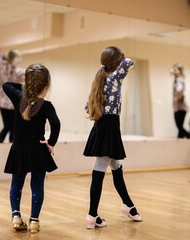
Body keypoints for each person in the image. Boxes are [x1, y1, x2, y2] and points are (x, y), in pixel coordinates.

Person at [83, 46, 143, 229]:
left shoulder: (101, 80)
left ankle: (128, 206)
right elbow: (129, 62)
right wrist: (119, 61)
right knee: (100, 167)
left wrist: (109, 64)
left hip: (103, 126)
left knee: (116, 166)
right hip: (109, 127)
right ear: (116, 65)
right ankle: (92, 215)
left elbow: (87, 108)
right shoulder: (115, 77)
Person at [3, 64, 60, 233]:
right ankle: (34, 221)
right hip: (37, 150)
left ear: (28, 84)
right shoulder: (47, 106)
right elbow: (56, 124)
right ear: (48, 86)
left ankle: (16, 216)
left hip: (19, 149)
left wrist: (25, 88)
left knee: (17, 184)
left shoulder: (18, 97)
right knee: (37, 186)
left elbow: (6, 85)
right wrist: (51, 142)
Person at [0, 49, 25, 143]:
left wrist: (7, 58)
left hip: (2, 103)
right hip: (12, 104)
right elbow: (29, 74)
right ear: (16, 58)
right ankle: (11, 146)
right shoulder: (18, 72)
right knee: (13, 128)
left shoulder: (3, 67)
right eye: (19, 57)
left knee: (6, 127)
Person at [171, 64, 190, 138]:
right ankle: (182, 139)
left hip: (182, 108)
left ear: (179, 71)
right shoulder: (176, 80)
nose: (174, 71)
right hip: (176, 107)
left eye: (175, 70)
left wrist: (178, 97)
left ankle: (189, 137)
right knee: (179, 126)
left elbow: (179, 89)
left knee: (179, 126)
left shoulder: (180, 79)